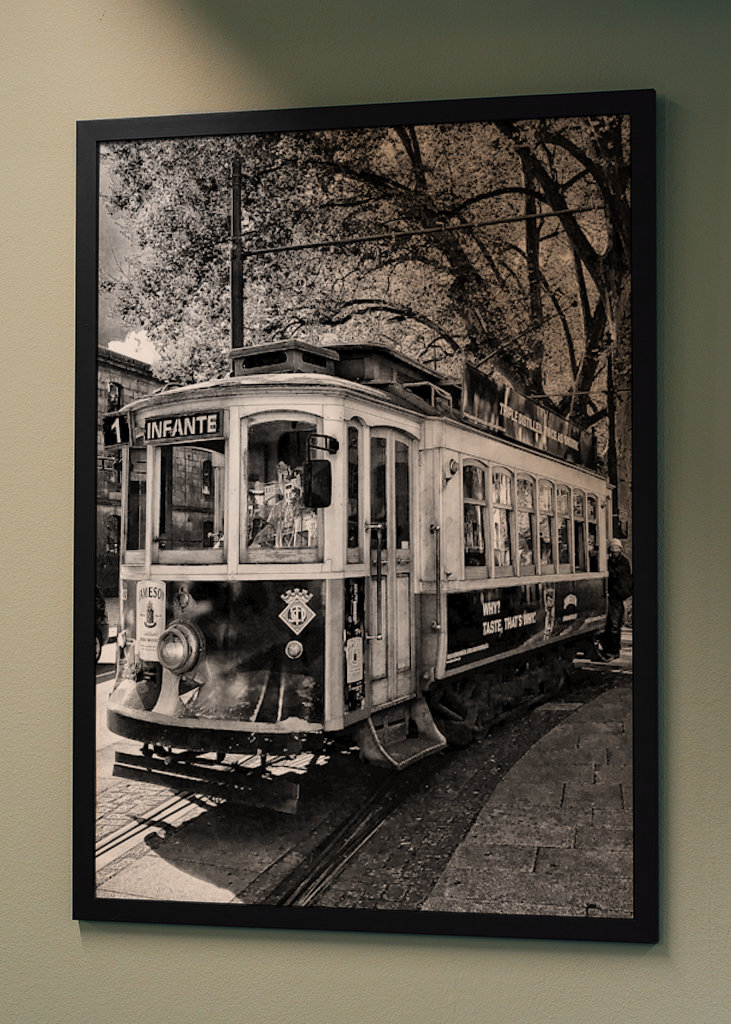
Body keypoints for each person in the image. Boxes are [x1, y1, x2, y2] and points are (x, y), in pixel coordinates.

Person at [596, 539, 632, 661]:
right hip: (610, 597)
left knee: (614, 625)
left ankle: (614, 651)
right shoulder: (610, 561)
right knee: (607, 624)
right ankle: (608, 649)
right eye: (612, 550)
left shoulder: (623, 563)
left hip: (617, 597)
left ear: (620, 550)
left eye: (617, 549)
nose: (614, 552)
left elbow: (616, 575)